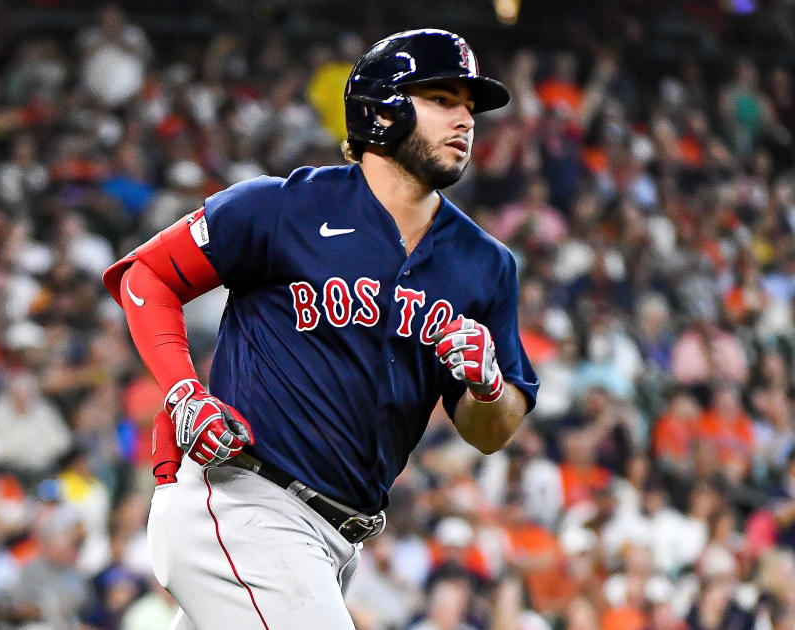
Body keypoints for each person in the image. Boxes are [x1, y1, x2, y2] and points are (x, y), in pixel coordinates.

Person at [101, 29, 539, 629]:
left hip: (335, 543)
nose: (465, 119)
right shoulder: (285, 208)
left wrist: (488, 386)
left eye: (470, 106)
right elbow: (145, 276)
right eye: (442, 99)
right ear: (382, 108)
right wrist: (184, 393)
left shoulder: (484, 264)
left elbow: (490, 432)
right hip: (242, 501)